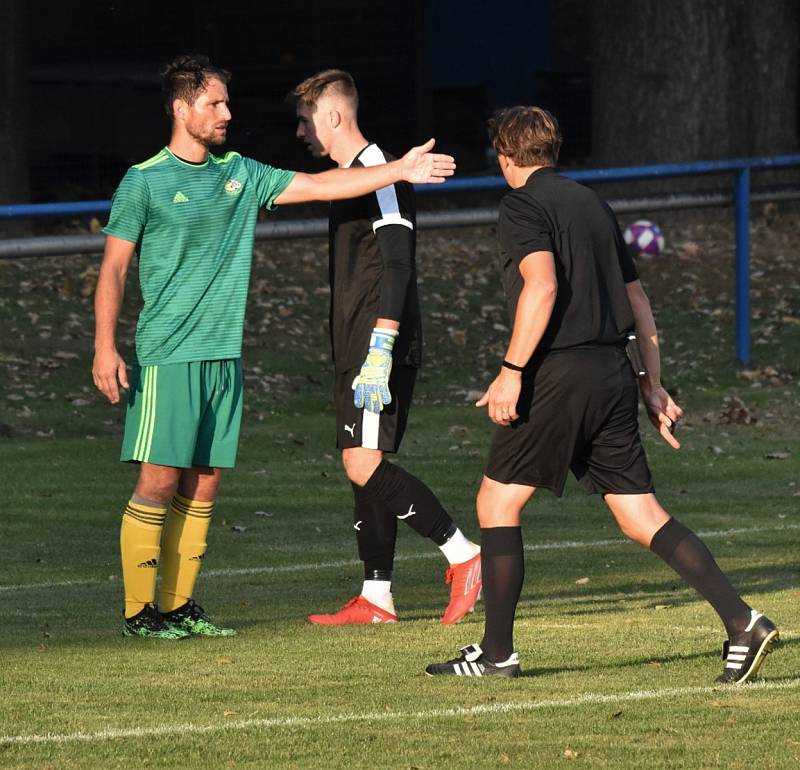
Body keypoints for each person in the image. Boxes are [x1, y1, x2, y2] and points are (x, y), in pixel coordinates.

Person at [92, 55, 455, 639]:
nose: (227, 114)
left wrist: (398, 169)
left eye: (226, 103)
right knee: (159, 480)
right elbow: (112, 271)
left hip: (223, 359)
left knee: (205, 481)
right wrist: (103, 346)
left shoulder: (239, 173)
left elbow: (319, 184)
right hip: (168, 355)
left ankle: (180, 608)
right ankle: (141, 613)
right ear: (183, 109)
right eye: (215, 103)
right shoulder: (144, 180)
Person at [426, 106, 779, 681]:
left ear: (505, 155)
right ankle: (742, 621)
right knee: (640, 516)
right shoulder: (592, 202)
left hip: (559, 375)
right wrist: (651, 382)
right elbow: (638, 303)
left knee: (497, 504)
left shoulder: (522, 204)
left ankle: (497, 655)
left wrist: (512, 369)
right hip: (613, 372)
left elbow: (540, 287)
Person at [290, 69, 482, 625]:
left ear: (332, 116)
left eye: (304, 120)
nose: (300, 131)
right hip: (357, 342)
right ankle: (376, 596)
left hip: (378, 344)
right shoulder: (348, 176)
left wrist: (382, 345)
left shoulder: (379, 174)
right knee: (362, 461)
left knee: (363, 462)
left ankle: (463, 554)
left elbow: (398, 263)